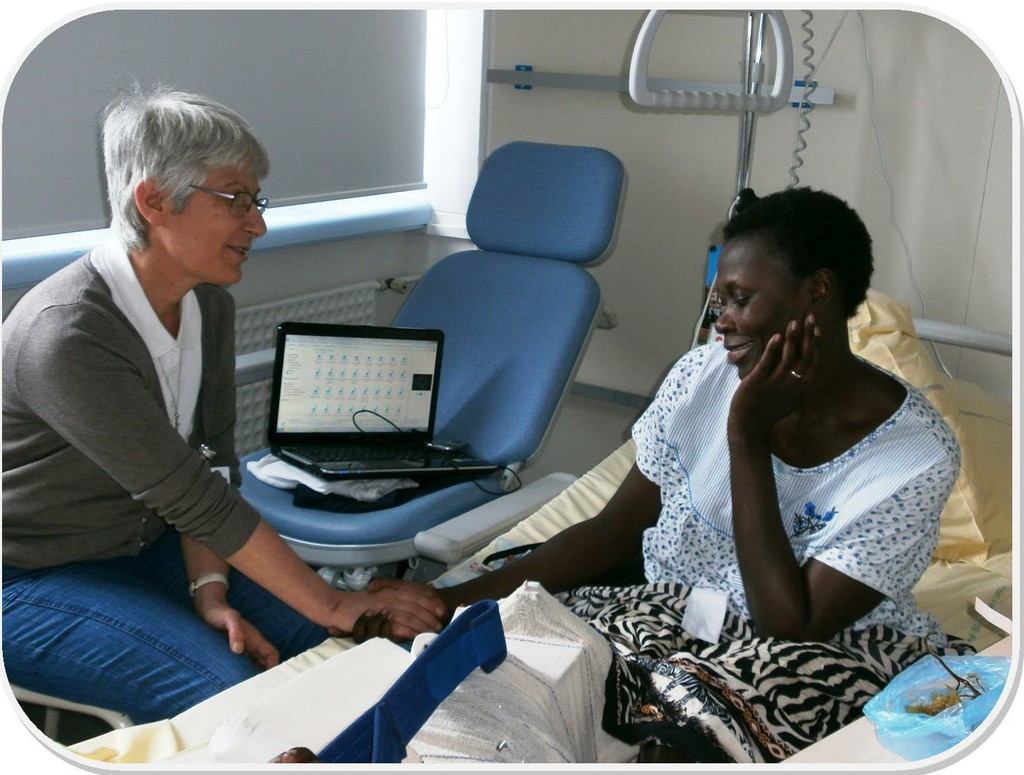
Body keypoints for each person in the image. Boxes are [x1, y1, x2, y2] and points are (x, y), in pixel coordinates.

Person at [389, 187, 969, 762]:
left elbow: (790, 623)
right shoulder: (700, 377)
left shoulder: (914, 457)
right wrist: (448, 602)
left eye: (741, 300)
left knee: (676, 739)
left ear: (816, 292)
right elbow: (614, 533)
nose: (722, 327)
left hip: (812, 654)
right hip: (666, 615)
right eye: (720, 304)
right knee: (489, 680)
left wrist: (748, 437)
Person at [2, 87, 445, 724]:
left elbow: (211, 463)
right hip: (29, 576)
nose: (258, 224)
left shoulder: (208, 303)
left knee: (339, 654)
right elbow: (190, 495)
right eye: (236, 199)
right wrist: (327, 600)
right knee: (234, 697)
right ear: (154, 200)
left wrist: (208, 589)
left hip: (144, 549)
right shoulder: (68, 335)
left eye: (257, 201)